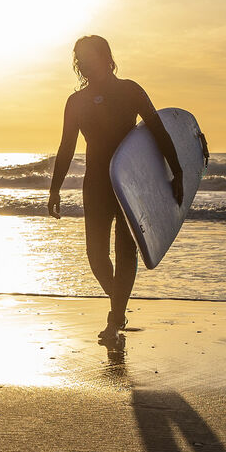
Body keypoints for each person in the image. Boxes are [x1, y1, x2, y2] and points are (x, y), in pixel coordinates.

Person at [48, 35, 182, 339]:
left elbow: (159, 132)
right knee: (96, 255)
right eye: (80, 58)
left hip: (130, 184)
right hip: (95, 183)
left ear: (106, 57)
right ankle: (118, 305)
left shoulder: (130, 90)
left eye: (90, 55)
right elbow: (66, 147)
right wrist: (54, 188)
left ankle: (115, 316)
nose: (85, 62)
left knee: (126, 250)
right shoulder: (76, 101)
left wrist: (178, 172)